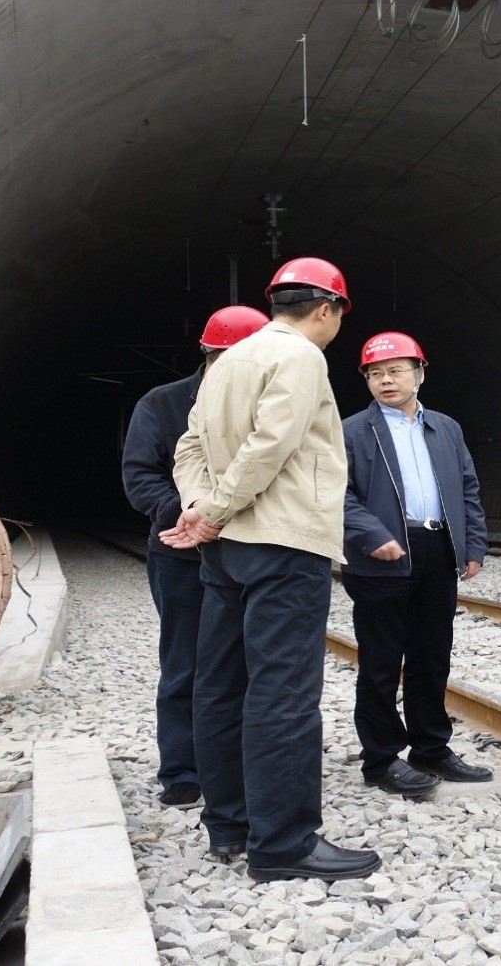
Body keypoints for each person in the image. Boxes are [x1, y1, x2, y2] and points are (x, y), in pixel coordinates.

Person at [161, 258, 380, 884]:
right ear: (327, 309)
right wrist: (216, 509)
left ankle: (229, 825)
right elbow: (273, 443)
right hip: (285, 544)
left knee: (220, 688)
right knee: (283, 694)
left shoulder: (227, 361)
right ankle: (283, 843)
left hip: (226, 552)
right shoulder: (301, 356)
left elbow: (189, 448)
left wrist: (201, 508)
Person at [121, 304, 270, 810]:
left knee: (249, 663)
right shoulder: (161, 403)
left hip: (252, 553)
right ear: (206, 355)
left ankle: (240, 763)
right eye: (225, 360)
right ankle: (182, 770)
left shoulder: (271, 403)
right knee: (185, 662)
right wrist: (189, 513)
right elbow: (140, 476)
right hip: (181, 555)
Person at [341, 331, 491, 797]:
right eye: (375, 373)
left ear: (420, 373)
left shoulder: (445, 428)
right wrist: (372, 535)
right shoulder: (349, 431)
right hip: (380, 557)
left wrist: (472, 545)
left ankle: (431, 748)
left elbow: (467, 487)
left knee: (431, 657)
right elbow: (335, 494)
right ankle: (381, 759)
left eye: (396, 371)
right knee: (381, 662)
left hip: (436, 549)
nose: (385, 380)